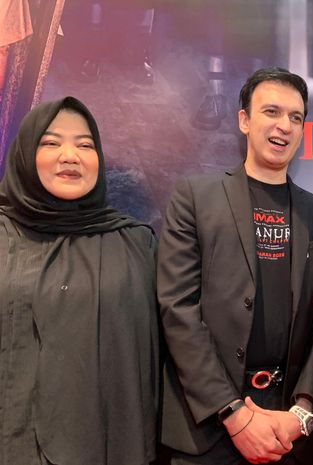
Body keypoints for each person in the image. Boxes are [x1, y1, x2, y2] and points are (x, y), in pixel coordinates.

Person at [158, 67, 313, 464]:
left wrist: (302, 411)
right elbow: (178, 309)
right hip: (208, 427)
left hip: (286, 430)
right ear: (244, 120)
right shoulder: (195, 197)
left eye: (295, 117)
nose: (284, 126)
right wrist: (233, 414)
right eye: (271, 111)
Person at [0, 96, 159, 465]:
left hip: (99, 448)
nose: (70, 156)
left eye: (85, 145)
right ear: (25, 154)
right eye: (51, 143)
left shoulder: (134, 243)